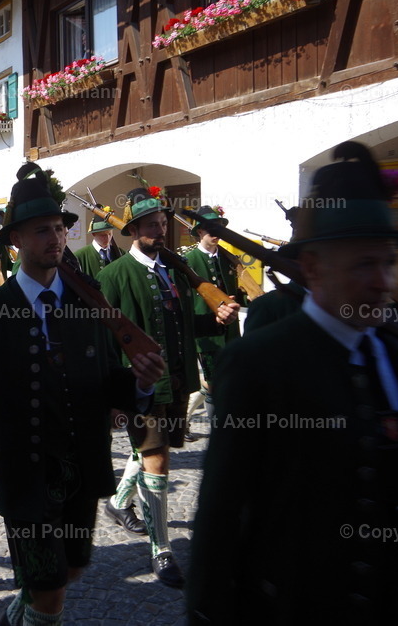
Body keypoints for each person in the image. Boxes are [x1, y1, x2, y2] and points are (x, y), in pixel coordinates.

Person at [187, 141, 398, 624]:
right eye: (364, 263)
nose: (383, 280)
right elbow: (221, 517)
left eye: (388, 262)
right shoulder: (258, 363)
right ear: (315, 267)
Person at [0, 166, 164, 626]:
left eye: (59, 228)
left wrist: (142, 382)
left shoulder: (89, 306)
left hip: (81, 466)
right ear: (17, 241)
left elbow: (110, 381)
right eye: (41, 230)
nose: (55, 238)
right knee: (49, 591)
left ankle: (18, 612)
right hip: (21, 472)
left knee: (70, 569)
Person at [97, 187, 239, 588]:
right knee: (157, 461)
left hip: (177, 381)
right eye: (151, 225)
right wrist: (112, 397)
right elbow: (106, 339)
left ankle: (118, 501)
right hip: (139, 386)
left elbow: (183, 325)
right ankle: (161, 550)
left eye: (162, 224)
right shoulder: (113, 275)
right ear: (134, 230)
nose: (160, 231)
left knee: (152, 454)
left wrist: (218, 320)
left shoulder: (174, 270)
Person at [182, 205, 244, 434]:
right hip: (206, 334)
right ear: (199, 232)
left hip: (230, 332)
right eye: (210, 229)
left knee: (224, 381)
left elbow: (240, 293)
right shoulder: (188, 261)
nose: (215, 233)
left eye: (218, 228)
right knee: (214, 382)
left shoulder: (228, 260)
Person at [73, 214, 125, 280]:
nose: (107, 238)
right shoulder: (79, 256)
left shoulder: (122, 253)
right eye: (103, 235)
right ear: (93, 234)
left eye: (109, 234)